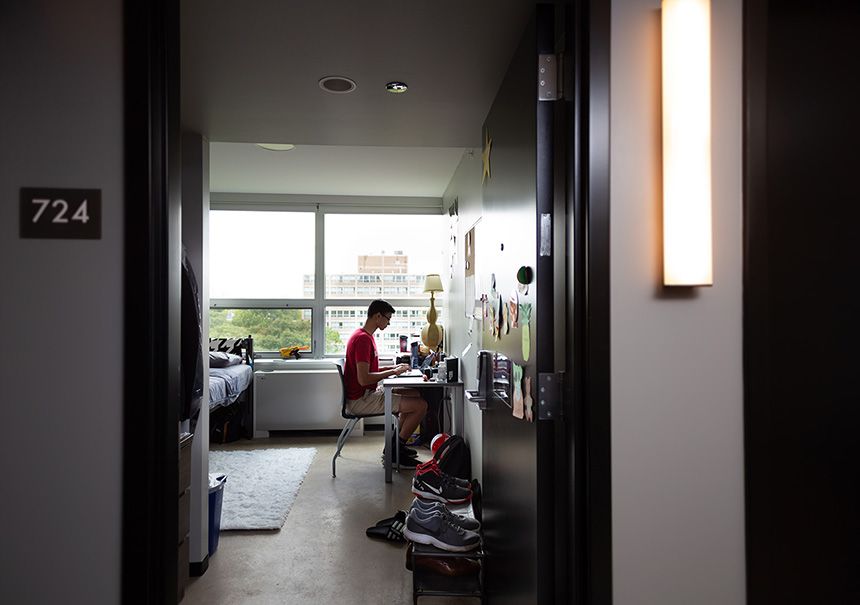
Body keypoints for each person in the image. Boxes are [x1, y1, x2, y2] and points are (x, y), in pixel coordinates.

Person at [344, 300, 428, 467]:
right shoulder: (362, 340)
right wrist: (393, 372)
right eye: (388, 318)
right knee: (421, 406)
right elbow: (364, 379)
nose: (389, 323)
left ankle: (395, 446)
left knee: (414, 393)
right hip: (361, 401)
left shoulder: (365, 336)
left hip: (367, 394)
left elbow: (370, 370)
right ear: (377, 316)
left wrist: (394, 367)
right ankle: (395, 452)